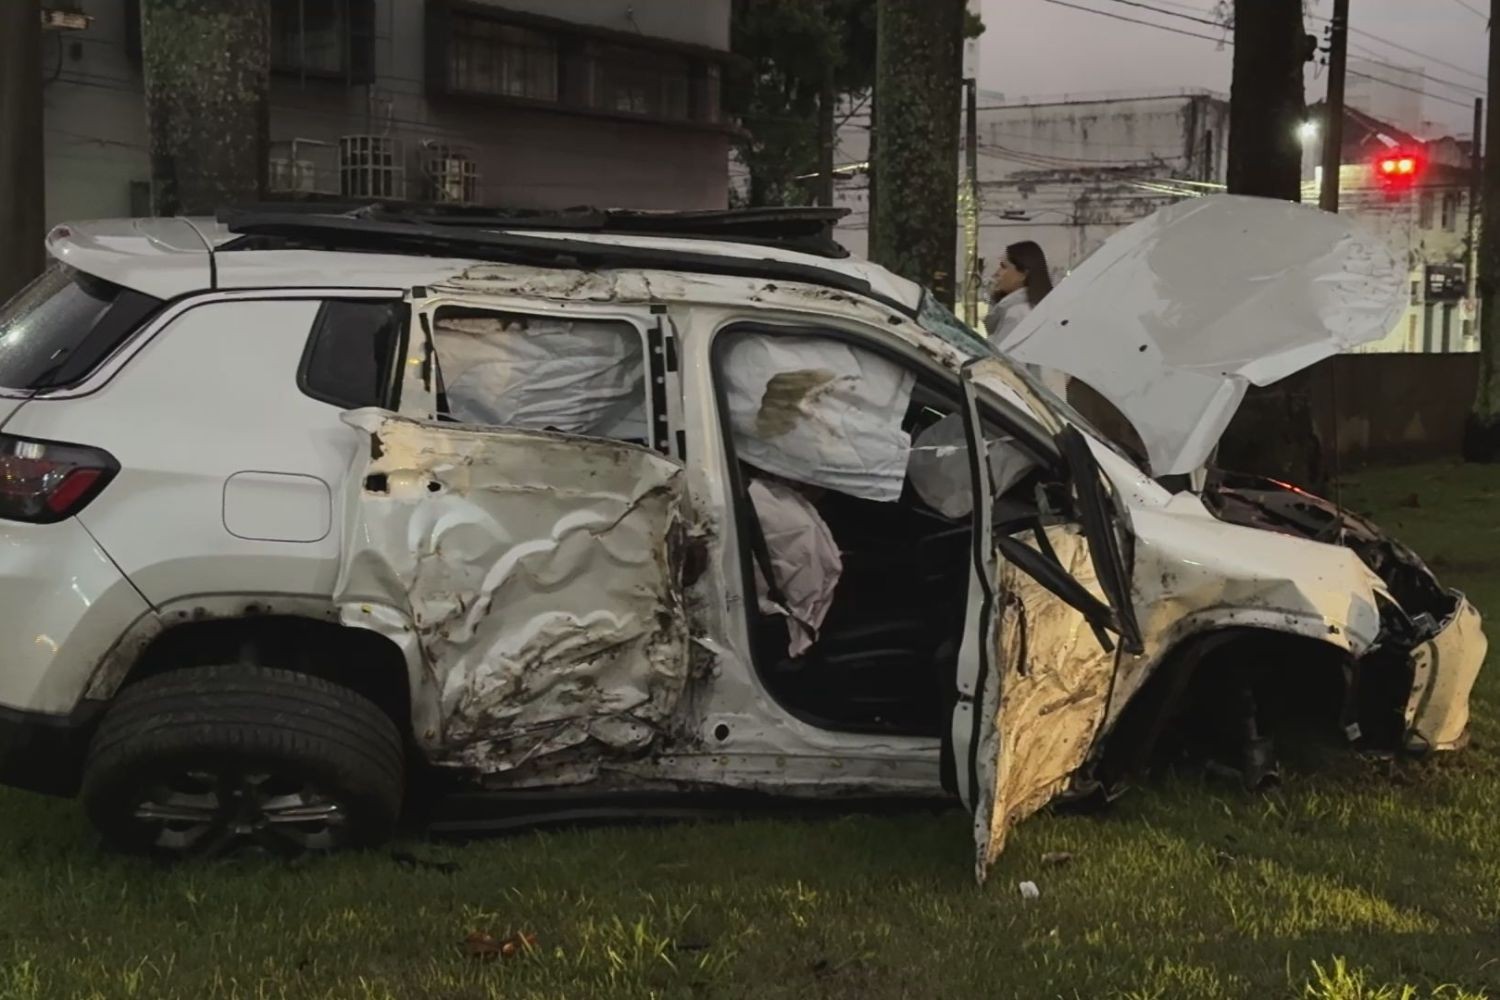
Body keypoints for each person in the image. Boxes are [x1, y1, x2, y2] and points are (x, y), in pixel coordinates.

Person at [982, 241, 1053, 342]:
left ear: (1023, 274)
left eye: (1004, 266)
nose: (997, 273)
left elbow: (999, 354)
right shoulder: (1040, 306)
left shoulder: (1017, 315)